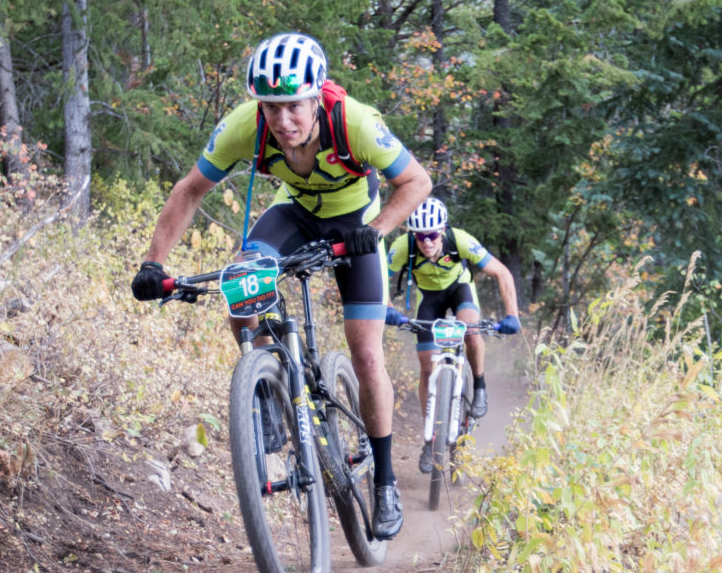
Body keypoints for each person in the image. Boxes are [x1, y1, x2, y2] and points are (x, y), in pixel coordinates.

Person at [131, 32, 431, 541]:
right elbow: (190, 190)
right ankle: (267, 389)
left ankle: (383, 481)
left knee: (366, 354)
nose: (284, 121)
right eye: (271, 108)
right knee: (242, 282)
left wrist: (375, 232)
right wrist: (153, 263)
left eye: (294, 105)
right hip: (294, 214)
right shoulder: (242, 129)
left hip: (356, 223)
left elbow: (417, 182)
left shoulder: (354, 121)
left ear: (317, 96)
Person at [384, 197, 520, 474]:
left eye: (432, 235)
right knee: (426, 365)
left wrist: (512, 315)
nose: (427, 242)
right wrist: (387, 309)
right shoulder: (402, 247)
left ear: (442, 231)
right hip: (429, 299)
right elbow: (377, 278)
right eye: (420, 236)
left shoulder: (461, 241)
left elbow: (502, 273)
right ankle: (429, 437)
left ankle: (479, 385)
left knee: (470, 332)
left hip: (460, 291)